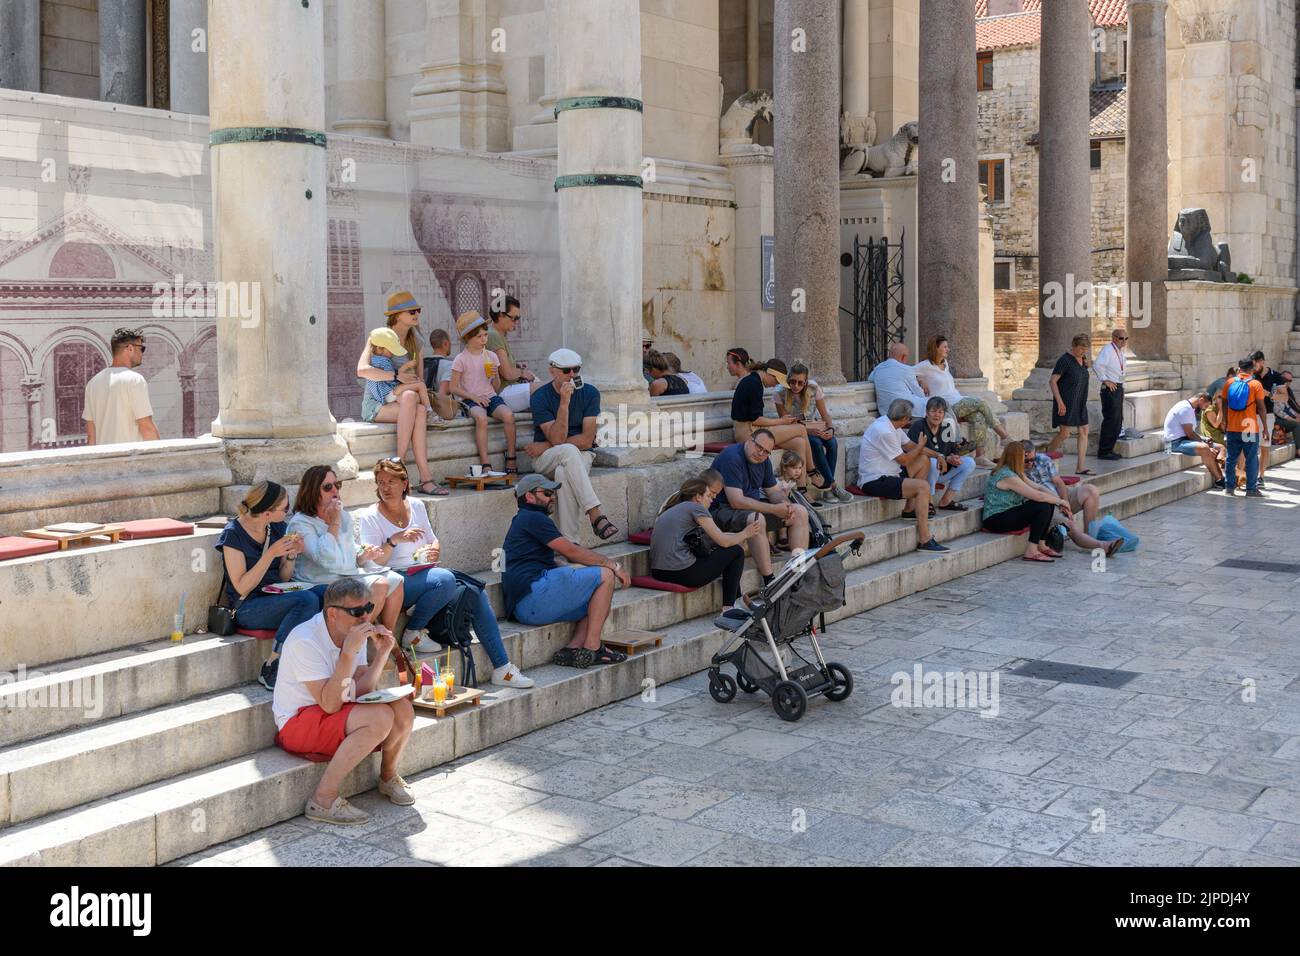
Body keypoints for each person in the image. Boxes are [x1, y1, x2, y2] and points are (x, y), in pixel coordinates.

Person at [356, 458, 534, 688]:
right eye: (380, 482)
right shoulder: (370, 515)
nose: (385, 488)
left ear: (404, 483)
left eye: (391, 481)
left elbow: (433, 539)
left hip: (424, 574)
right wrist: (393, 541)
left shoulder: (416, 505)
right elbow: (372, 563)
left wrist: (433, 550)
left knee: (475, 591)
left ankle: (502, 668)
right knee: (446, 578)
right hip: (394, 581)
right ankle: (413, 631)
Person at [272, 577, 415, 826]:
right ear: (332, 614)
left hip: (331, 711)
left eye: (368, 609)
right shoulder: (305, 640)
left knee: (402, 708)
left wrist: (381, 654)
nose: (365, 618)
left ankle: (388, 777)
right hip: (297, 722)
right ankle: (323, 799)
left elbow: (361, 690)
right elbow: (328, 704)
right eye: (356, 612)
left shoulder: (351, 631)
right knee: (379, 718)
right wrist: (348, 654)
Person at [502, 475, 632, 668]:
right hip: (532, 596)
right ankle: (593, 648)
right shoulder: (533, 517)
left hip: (524, 607)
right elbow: (572, 552)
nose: (552, 497)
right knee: (605, 576)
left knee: (594, 597)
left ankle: (573, 650)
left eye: (553, 493)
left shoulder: (524, 519)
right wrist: (613, 565)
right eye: (546, 493)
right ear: (529, 497)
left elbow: (544, 558)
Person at [216, 482, 327, 691]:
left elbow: (283, 579)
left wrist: (292, 554)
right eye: (284, 509)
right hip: (247, 606)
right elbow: (241, 587)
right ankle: (272, 665)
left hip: (275, 596)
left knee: (327, 593)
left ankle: (317, 657)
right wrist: (270, 554)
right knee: (307, 600)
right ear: (267, 513)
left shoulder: (277, 527)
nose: (288, 512)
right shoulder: (233, 535)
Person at [287, 465, 406, 632]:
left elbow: (346, 551)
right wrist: (334, 522)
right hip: (320, 580)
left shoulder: (341, 514)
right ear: (313, 491)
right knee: (380, 584)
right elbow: (326, 559)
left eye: (337, 485)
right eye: (328, 487)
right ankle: (354, 639)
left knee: (396, 580)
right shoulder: (301, 523)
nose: (335, 490)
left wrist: (362, 556)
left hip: (345, 575)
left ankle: (383, 639)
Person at [356, 291, 444, 495]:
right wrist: (396, 374)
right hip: (377, 403)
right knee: (412, 399)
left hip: (403, 402)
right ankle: (401, 464)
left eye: (418, 311)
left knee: (419, 408)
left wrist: (411, 383)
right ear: (396, 315)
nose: (417, 314)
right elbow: (362, 370)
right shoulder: (379, 336)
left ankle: (424, 477)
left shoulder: (417, 341)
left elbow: (419, 378)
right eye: (412, 311)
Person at [525, 348, 619, 542]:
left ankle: (569, 544)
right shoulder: (540, 397)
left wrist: (544, 445)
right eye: (567, 371)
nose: (573, 375)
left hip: (578, 453)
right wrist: (564, 403)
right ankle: (595, 513)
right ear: (552, 371)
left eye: (576, 369)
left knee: (563, 474)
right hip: (546, 460)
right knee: (567, 450)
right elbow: (558, 440)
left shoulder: (591, 393)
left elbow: (586, 440)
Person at [649, 472, 760, 616]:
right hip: (682, 572)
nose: (712, 500)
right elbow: (724, 542)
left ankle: (741, 600)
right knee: (736, 552)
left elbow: (715, 538)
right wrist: (746, 533)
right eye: (709, 495)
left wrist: (737, 536)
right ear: (698, 497)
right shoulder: (697, 508)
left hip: (659, 572)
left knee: (727, 553)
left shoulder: (673, 509)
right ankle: (728, 608)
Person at [710, 429, 811, 574]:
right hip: (722, 511)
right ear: (750, 440)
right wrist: (773, 509)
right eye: (758, 447)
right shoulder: (731, 457)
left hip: (749, 510)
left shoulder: (763, 461)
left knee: (799, 512)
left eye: (766, 452)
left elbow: (773, 492)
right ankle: (768, 580)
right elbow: (736, 501)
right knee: (757, 519)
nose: (761, 454)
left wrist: (785, 504)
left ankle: (797, 573)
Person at [857, 399, 949, 553]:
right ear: (905, 418)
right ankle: (925, 539)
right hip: (875, 480)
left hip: (891, 473)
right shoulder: (884, 431)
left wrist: (938, 455)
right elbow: (905, 460)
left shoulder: (891, 425)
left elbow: (911, 447)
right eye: (910, 418)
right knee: (923, 487)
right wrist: (920, 446)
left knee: (924, 461)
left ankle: (909, 510)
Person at [913, 335, 1010, 468]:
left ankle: (980, 457)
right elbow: (908, 373)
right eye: (945, 347)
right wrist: (921, 380)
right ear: (935, 348)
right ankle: (1004, 436)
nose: (948, 349)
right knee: (980, 403)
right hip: (947, 406)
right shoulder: (925, 366)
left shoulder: (945, 364)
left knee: (979, 416)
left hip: (958, 400)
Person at [1021, 439, 1122, 556]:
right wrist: (1059, 503)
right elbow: (1037, 494)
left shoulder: (1042, 459)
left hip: (1059, 497)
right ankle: (1103, 546)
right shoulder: (1017, 469)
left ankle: (1090, 537)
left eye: (1032, 459)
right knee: (1070, 524)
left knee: (1091, 490)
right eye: (1026, 461)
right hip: (1044, 505)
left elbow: (1058, 483)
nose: (1030, 463)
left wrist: (1065, 503)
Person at [450, 310, 518, 476]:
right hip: (470, 399)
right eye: (479, 337)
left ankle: (511, 456)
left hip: (490, 396)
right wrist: (474, 397)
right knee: (481, 418)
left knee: (509, 415)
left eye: (485, 335)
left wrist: (494, 374)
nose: (484, 340)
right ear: (468, 338)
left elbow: (496, 386)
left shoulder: (492, 356)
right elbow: (453, 387)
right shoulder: (461, 359)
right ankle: (485, 462)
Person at [775, 362, 855, 503]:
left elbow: (825, 415)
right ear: (788, 380)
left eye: (800, 383)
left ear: (805, 382)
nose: (796, 386)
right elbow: (785, 422)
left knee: (832, 442)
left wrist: (830, 429)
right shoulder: (779, 392)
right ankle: (832, 487)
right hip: (796, 431)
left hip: (815, 427)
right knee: (815, 443)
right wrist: (809, 430)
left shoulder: (814, 388)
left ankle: (828, 487)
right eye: (792, 382)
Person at [981, 442, 1070, 563]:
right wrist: (1061, 501)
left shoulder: (1016, 472)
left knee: (1047, 503)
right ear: (1017, 458)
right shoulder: (1007, 475)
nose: (1026, 460)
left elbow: (1039, 488)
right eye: (1024, 457)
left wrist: (1061, 502)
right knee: (1042, 506)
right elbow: (1037, 496)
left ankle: (1042, 544)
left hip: (1008, 513)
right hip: (995, 519)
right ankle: (1031, 551)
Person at [726, 349, 813, 473]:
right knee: (801, 429)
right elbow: (756, 419)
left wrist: (781, 422)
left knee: (799, 443)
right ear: (771, 374)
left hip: (747, 430)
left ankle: (801, 488)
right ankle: (812, 471)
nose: (774, 385)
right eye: (776, 381)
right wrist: (781, 421)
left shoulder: (753, 380)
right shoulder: (754, 383)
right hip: (748, 433)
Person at [83, 327, 159, 445]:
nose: (142, 353)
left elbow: (91, 435)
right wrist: (159, 458)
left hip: (104, 460)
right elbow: (146, 427)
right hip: (130, 459)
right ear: (130, 348)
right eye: (141, 348)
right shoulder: (134, 380)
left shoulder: (92, 383)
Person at [907, 396, 976, 512]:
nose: (937, 415)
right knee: (933, 462)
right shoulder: (918, 426)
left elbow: (952, 449)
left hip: (943, 470)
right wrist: (943, 457)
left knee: (969, 463)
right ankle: (928, 501)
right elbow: (914, 451)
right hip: (922, 473)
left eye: (940, 412)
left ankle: (946, 501)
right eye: (933, 411)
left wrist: (954, 457)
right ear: (927, 413)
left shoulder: (946, 427)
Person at [363, 326, 436, 419]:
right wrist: (406, 376)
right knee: (420, 385)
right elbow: (393, 377)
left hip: (386, 395)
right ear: (379, 349)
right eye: (391, 349)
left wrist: (406, 367)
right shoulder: (383, 361)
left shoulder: (374, 360)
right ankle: (430, 412)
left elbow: (394, 375)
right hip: (389, 392)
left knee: (411, 398)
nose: (393, 352)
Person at [1220, 357, 1267, 497]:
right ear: (1251, 369)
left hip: (1233, 426)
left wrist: (1225, 421)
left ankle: (1229, 488)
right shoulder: (1255, 384)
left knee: (1231, 458)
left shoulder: (1229, 383)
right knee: (1251, 458)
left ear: (1239, 368)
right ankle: (1251, 489)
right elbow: (1261, 408)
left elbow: (1224, 403)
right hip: (1249, 426)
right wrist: (1265, 427)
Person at [1046, 333, 1093, 475]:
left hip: (1080, 402)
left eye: (1086, 349)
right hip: (1066, 402)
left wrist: (1087, 364)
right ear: (1073, 346)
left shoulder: (1083, 360)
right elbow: (1053, 381)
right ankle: (1044, 456)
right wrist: (1060, 402)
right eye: (1081, 348)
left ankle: (1080, 467)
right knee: (1065, 434)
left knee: (1084, 430)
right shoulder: (1064, 360)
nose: (1083, 351)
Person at [487, 295, 542, 414]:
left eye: (518, 318)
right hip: (503, 393)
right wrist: (522, 373)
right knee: (552, 388)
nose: (517, 322)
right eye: (514, 318)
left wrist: (518, 369)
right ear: (501, 315)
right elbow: (507, 374)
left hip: (509, 390)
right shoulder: (493, 335)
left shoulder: (497, 335)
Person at [1162, 391, 1225, 487]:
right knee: (1205, 448)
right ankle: (1219, 480)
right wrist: (1206, 445)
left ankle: (1222, 474)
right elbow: (1190, 433)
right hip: (1173, 443)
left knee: (1221, 447)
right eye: (1205, 406)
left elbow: (1190, 433)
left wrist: (1204, 439)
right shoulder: (1185, 408)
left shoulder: (1190, 408)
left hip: (1185, 439)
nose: (1204, 409)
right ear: (1201, 400)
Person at [866, 342, 928, 422]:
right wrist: (921, 382)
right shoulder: (906, 369)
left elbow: (870, 379)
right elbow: (920, 394)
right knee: (938, 403)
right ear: (903, 357)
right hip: (908, 412)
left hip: (885, 412)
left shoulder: (878, 368)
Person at [1093, 328, 1128, 461]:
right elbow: (1097, 365)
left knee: (1117, 421)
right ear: (1113, 338)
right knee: (1111, 419)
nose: (1123, 341)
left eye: (1125, 338)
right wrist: (1105, 380)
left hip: (1118, 386)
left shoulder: (1119, 352)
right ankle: (1104, 451)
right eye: (1121, 338)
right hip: (1110, 388)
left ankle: (1109, 449)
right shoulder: (1108, 349)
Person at [420, 327, 459, 425]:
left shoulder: (422, 363)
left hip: (423, 407)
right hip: (440, 411)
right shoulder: (449, 365)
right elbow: (442, 393)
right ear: (445, 343)